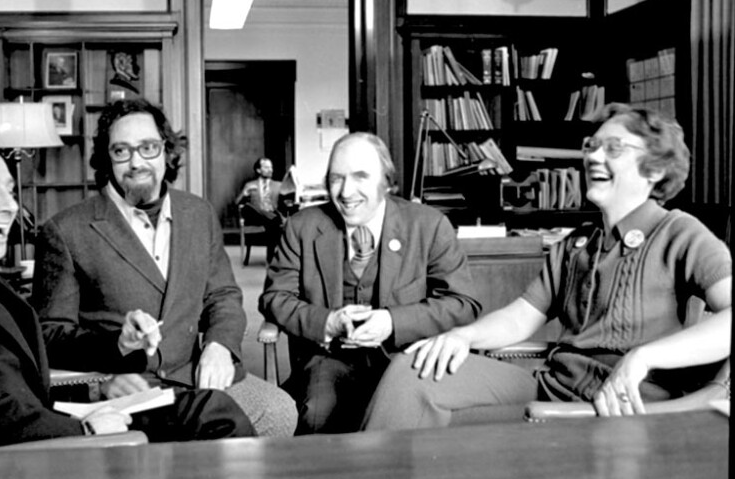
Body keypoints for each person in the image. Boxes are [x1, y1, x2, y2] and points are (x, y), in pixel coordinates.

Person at [363, 103, 732, 430]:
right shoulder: (577, 243)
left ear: (655, 170)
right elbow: (519, 319)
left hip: (619, 407)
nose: (593, 157)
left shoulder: (680, 233)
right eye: (591, 146)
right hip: (552, 386)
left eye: (613, 148)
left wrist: (644, 357)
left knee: (445, 432)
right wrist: (462, 336)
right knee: (413, 367)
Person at [0, 138, 255, 449]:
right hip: (26, 453)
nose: (10, 207)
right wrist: (83, 429)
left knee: (210, 409)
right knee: (213, 418)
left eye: (10, 191)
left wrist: (109, 367)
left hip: (41, 426)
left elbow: (25, 367)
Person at [30, 98, 297, 438]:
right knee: (203, 429)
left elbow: (223, 296)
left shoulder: (199, 213)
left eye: (148, 147)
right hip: (124, 388)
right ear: (106, 159)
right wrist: (114, 352)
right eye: (121, 151)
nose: (136, 162)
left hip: (196, 375)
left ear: (166, 152)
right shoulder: (66, 231)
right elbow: (49, 335)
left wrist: (219, 346)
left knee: (278, 412)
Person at [259, 132, 481, 434]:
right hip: (328, 358)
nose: (346, 192)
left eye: (360, 177)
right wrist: (328, 322)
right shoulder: (302, 227)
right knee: (316, 416)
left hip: (407, 358)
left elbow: (462, 303)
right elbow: (275, 298)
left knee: (406, 425)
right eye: (336, 178)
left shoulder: (428, 226)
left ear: (387, 182)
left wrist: (392, 322)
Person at [236, 157, 285, 262]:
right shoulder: (250, 185)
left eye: (271, 167)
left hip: (271, 216)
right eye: (266, 167)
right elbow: (237, 203)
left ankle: (269, 258)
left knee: (273, 222)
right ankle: (270, 259)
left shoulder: (279, 185)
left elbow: (285, 203)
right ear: (258, 170)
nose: (270, 170)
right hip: (256, 217)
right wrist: (245, 193)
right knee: (248, 208)